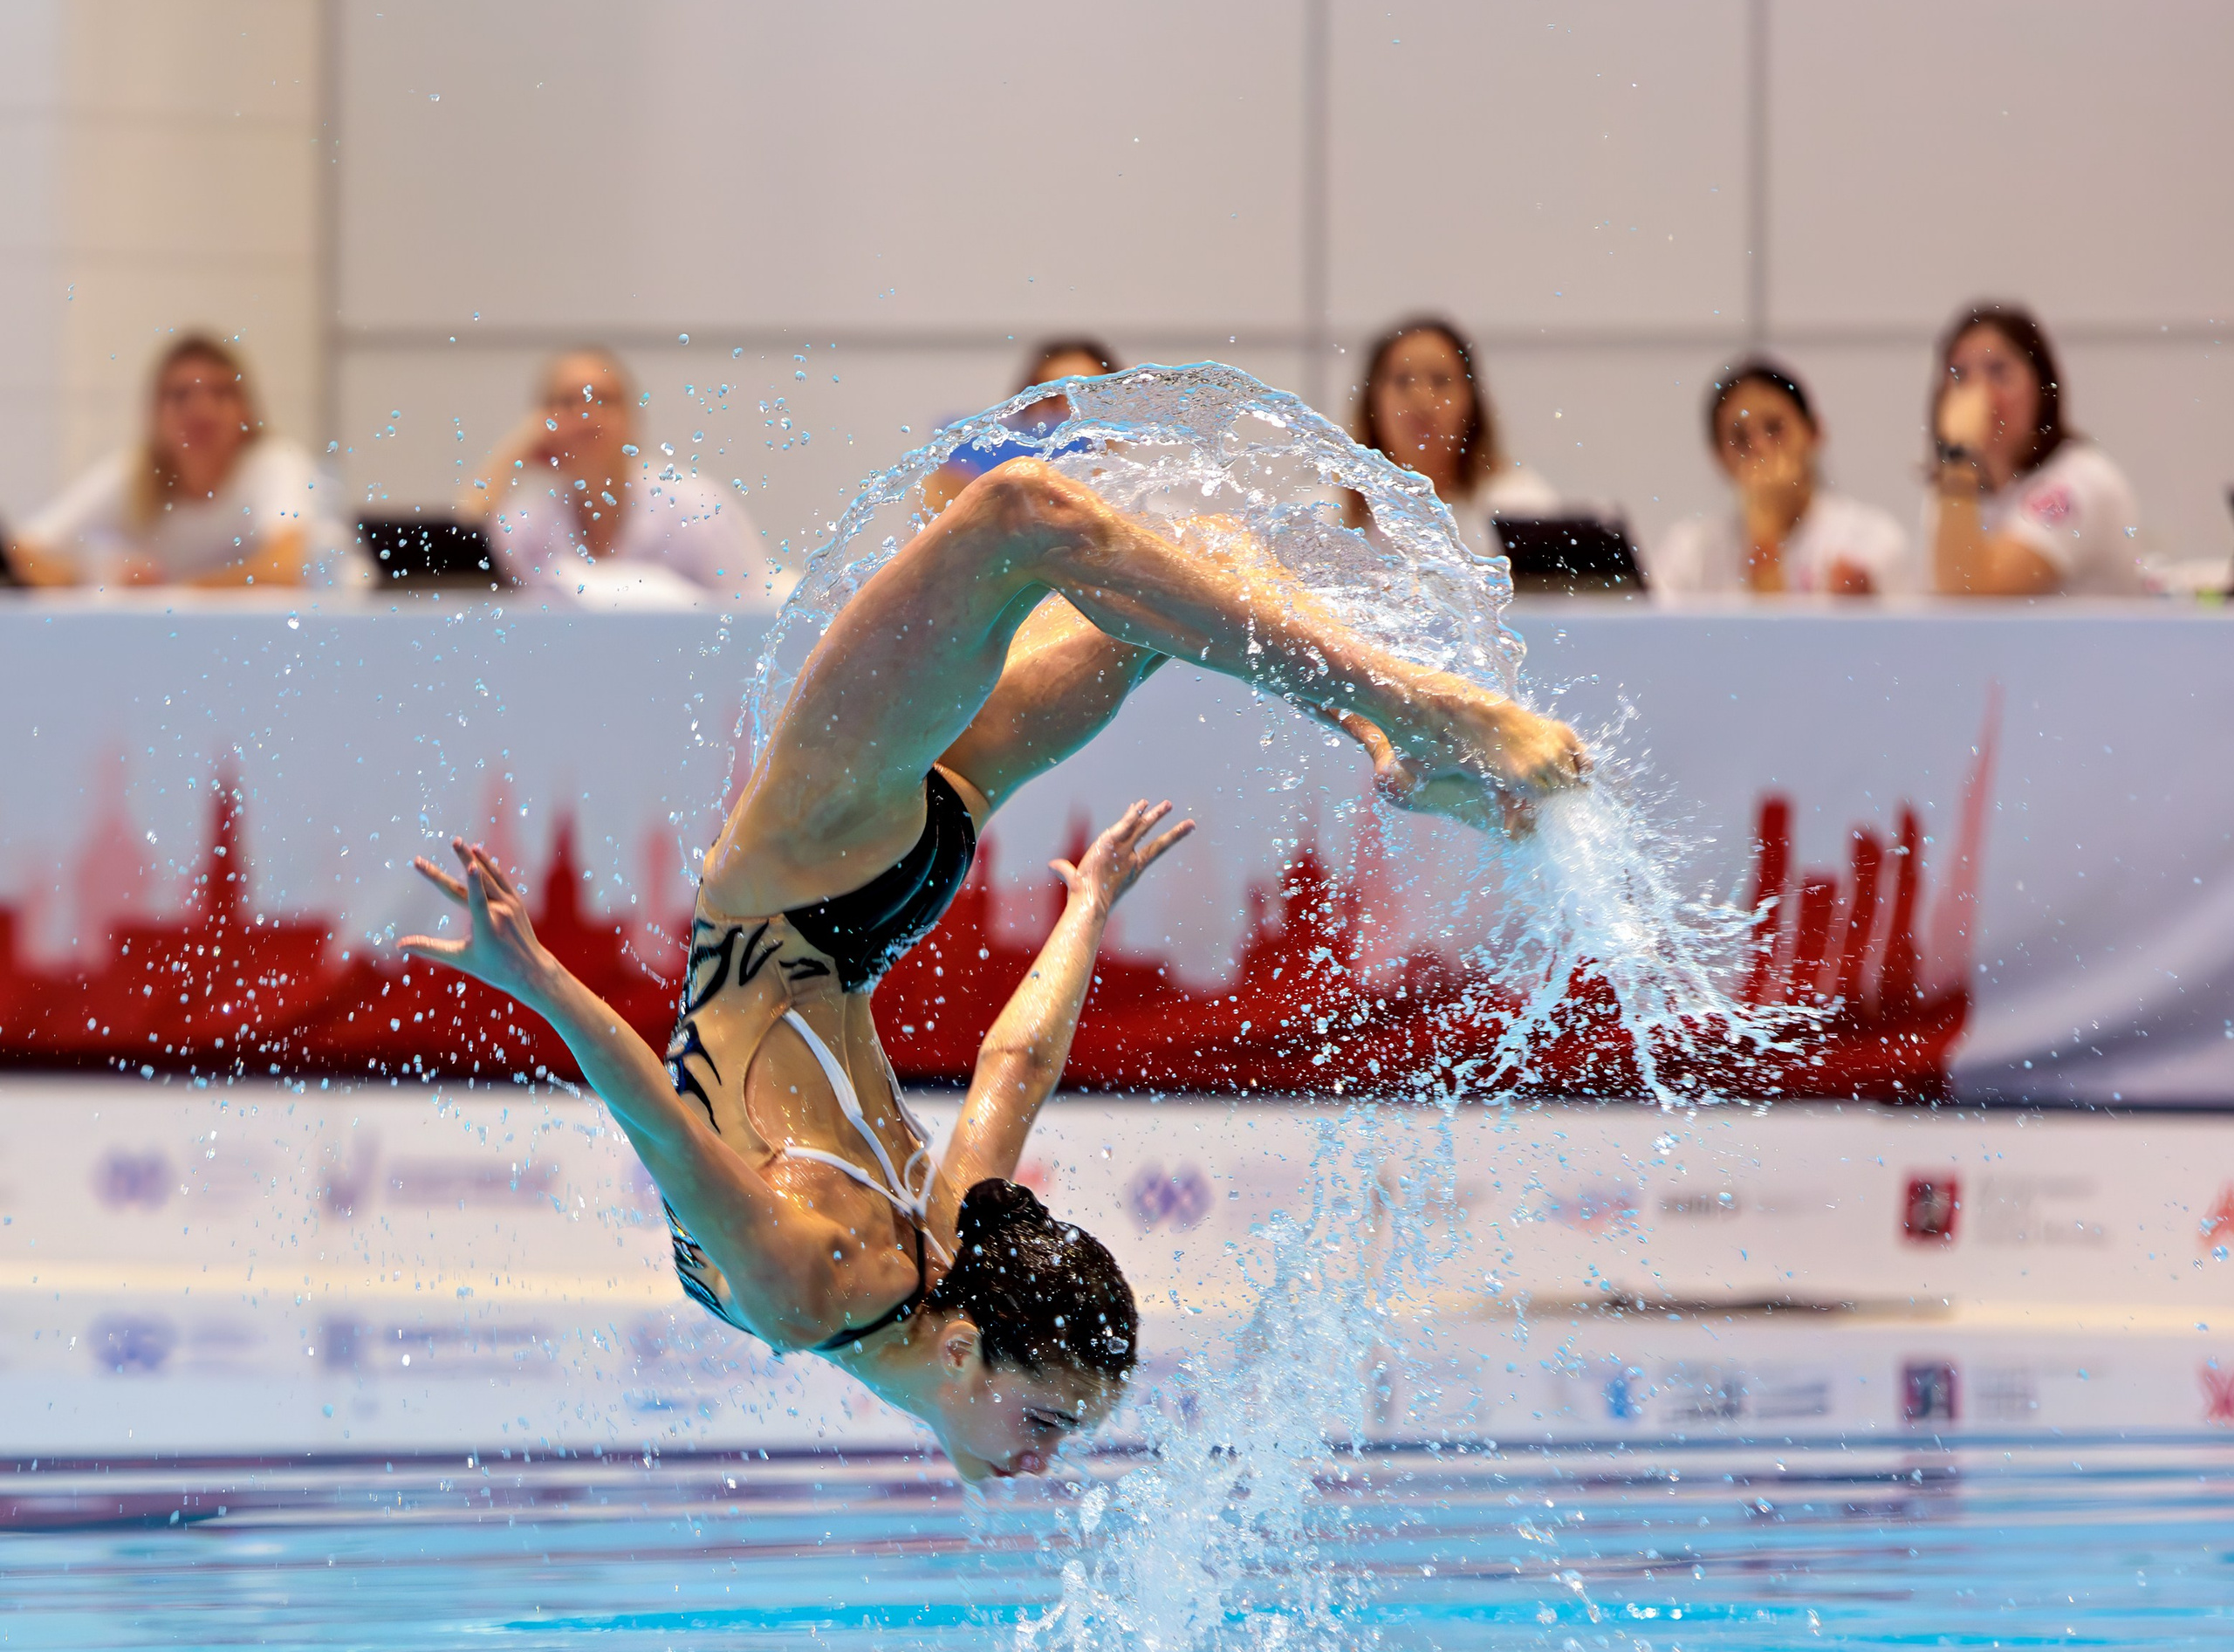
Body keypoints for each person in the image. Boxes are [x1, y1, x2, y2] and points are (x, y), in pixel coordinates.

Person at [401, 456, 1588, 1480]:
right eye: (1052, 1424)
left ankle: (1399, 727)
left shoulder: (841, 1276)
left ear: (966, 1346)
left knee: (1089, 538)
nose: (1044, 1460)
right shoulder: (901, 1277)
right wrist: (1087, 910)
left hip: (855, 880)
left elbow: (667, 1130)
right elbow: (1010, 1067)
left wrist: (539, 979)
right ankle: (1405, 723)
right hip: (824, 880)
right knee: (1073, 533)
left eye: (1050, 1425)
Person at [11, 332, 347, 590]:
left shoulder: (274, 465)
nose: (201, 410)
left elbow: (286, 569)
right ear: (155, 414)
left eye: (220, 393)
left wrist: (173, 592)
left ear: (246, 410)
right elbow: (21, 554)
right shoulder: (136, 474)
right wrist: (98, 579)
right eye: (181, 395)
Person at [463, 346, 776, 600]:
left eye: (604, 400)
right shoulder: (532, 523)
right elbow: (458, 558)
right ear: (544, 423)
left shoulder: (697, 510)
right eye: (568, 403)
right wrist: (510, 455)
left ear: (632, 420)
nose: (587, 416)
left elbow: (753, 620)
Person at [1924, 304, 2139, 598]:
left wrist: (1958, 453)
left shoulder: (2080, 482)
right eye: (1960, 375)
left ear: (2041, 387)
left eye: (1998, 372)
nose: (1979, 395)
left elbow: (1972, 594)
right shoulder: (1955, 492)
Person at [1654, 359, 1908, 599]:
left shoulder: (1868, 541)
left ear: (1814, 432)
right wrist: (1763, 532)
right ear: (1719, 456)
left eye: (1774, 429)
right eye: (1740, 439)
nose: (1760, 448)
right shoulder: (1689, 553)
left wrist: (1765, 533)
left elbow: (1778, 631)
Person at [1347, 319, 1558, 552]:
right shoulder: (1330, 511)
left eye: (1440, 381)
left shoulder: (1519, 505)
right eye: (1402, 381)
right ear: (1372, 403)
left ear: (1471, 401)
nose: (1422, 400)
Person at [924, 339, 1124, 510]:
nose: (1071, 413)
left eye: (1087, 398)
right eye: (1053, 398)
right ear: (1026, 407)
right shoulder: (970, 481)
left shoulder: (1134, 504)